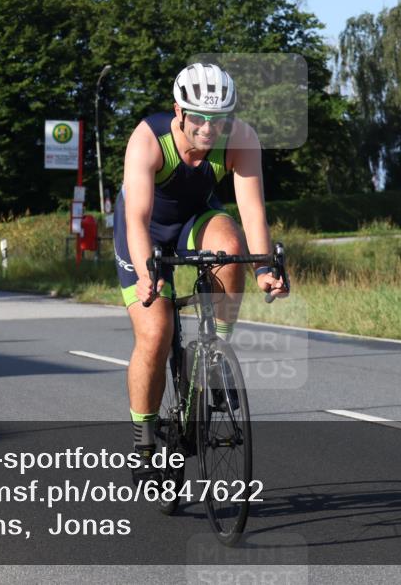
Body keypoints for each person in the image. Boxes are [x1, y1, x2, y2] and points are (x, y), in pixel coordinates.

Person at [113, 63, 288, 480]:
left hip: (195, 221)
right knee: (156, 334)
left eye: (220, 119)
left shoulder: (241, 138)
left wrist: (263, 266)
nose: (210, 129)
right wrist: (145, 273)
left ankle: (216, 357)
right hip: (144, 231)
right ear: (179, 111)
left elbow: (251, 208)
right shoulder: (148, 139)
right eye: (200, 119)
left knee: (229, 247)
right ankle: (144, 440)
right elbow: (136, 217)